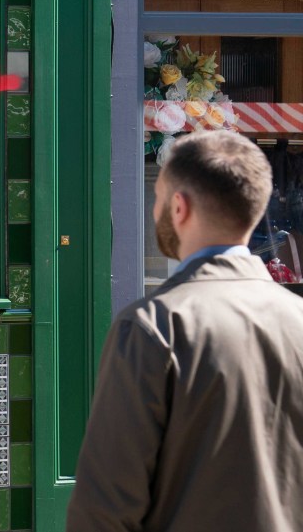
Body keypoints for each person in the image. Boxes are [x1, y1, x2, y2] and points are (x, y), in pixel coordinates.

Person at [67, 131, 303, 531]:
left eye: (158, 196)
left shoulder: (152, 327)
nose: (155, 207)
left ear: (179, 207)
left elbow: (105, 508)